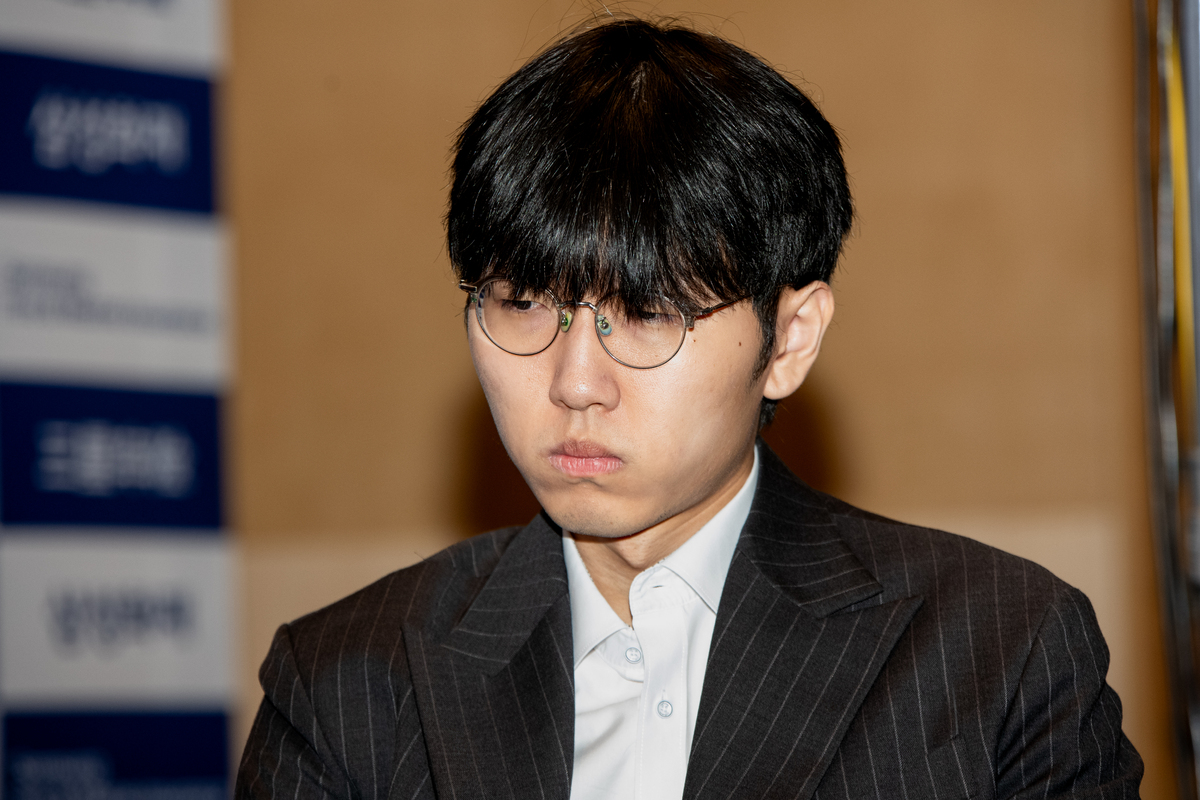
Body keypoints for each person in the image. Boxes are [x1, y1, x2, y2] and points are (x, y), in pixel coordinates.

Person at [236, 17, 1142, 800]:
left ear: (788, 340)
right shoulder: (345, 684)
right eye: (522, 303)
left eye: (646, 312)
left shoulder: (997, 657)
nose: (575, 381)